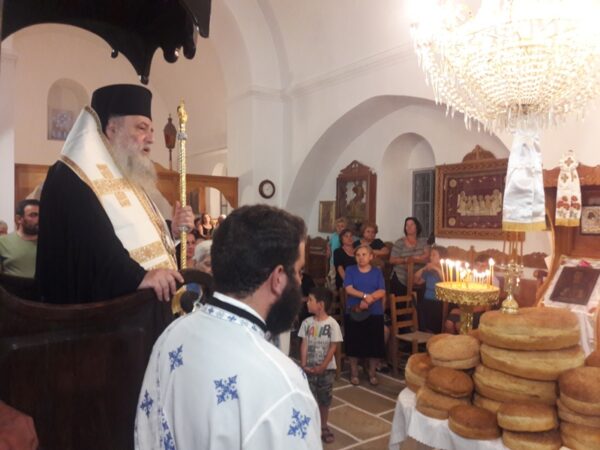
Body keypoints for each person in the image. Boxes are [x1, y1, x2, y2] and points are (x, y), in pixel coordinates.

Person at [135, 205, 321, 449]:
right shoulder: (283, 385)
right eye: (298, 271)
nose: (299, 281)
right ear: (278, 278)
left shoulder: (172, 334)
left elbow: (147, 434)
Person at [36, 84, 194, 303]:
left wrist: (171, 231)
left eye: (151, 130)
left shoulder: (125, 171)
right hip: (93, 313)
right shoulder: (73, 174)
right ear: (112, 129)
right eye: (142, 128)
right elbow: (90, 243)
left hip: (139, 307)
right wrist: (138, 277)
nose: (151, 138)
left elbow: (130, 232)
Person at [299, 286, 343, 444]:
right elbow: (304, 343)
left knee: (324, 400)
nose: (307, 302)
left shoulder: (332, 324)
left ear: (321, 305)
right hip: (309, 369)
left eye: (310, 300)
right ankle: (310, 425)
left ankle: (323, 426)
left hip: (326, 371)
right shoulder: (306, 323)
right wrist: (303, 363)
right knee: (309, 398)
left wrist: (323, 366)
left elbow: (333, 347)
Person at [344, 244, 386, 386]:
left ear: (371, 256)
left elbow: (382, 291)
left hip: (374, 311)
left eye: (364, 254)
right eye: (358, 255)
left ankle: (372, 372)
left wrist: (369, 299)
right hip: (355, 310)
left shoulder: (377, 272)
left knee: (374, 344)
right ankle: (354, 372)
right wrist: (364, 296)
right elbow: (349, 289)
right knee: (354, 342)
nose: (361, 258)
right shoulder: (350, 270)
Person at [444, 253, 498, 333]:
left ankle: (465, 340)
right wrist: (462, 308)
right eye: (477, 265)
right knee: (449, 324)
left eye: (483, 266)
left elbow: (485, 306)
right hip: (466, 308)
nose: (479, 268)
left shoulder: (493, 281)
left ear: (488, 268)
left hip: (480, 313)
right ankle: (452, 340)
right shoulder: (470, 277)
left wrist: (463, 311)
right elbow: (463, 296)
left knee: (459, 325)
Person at [389, 217, 430, 295]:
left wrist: (414, 258)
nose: (409, 227)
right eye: (407, 225)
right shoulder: (399, 242)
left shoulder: (424, 242)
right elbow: (392, 260)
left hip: (419, 276)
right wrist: (405, 260)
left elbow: (427, 256)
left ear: (417, 227)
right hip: (401, 276)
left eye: (411, 225)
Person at [0, 199, 39, 278]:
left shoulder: (51, 243)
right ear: (19, 219)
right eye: (33, 215)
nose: (39, 219)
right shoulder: (3, 243)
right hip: (12, 285)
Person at [414, 246, 447, 334]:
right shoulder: (429, 271)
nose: (431, 257)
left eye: (434, 255)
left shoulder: (446, 270)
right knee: (419, 308)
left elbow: (446, 281)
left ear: (441, 258)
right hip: (426, 300)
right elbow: (417, 281)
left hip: (439, 302)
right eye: (431, 255)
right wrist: (423, 269)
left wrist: (436, 268)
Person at [326, 217, 348, 287]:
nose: (339, 228)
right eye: (338, 226)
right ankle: (331, 289)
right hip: (333, 261)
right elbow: (328, 244)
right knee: (332, 276)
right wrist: (328, 250)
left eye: (342, 226)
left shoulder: (346, 237)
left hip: (342, 261)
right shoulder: (334, 235)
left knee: (341, 277)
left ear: (345, 228)